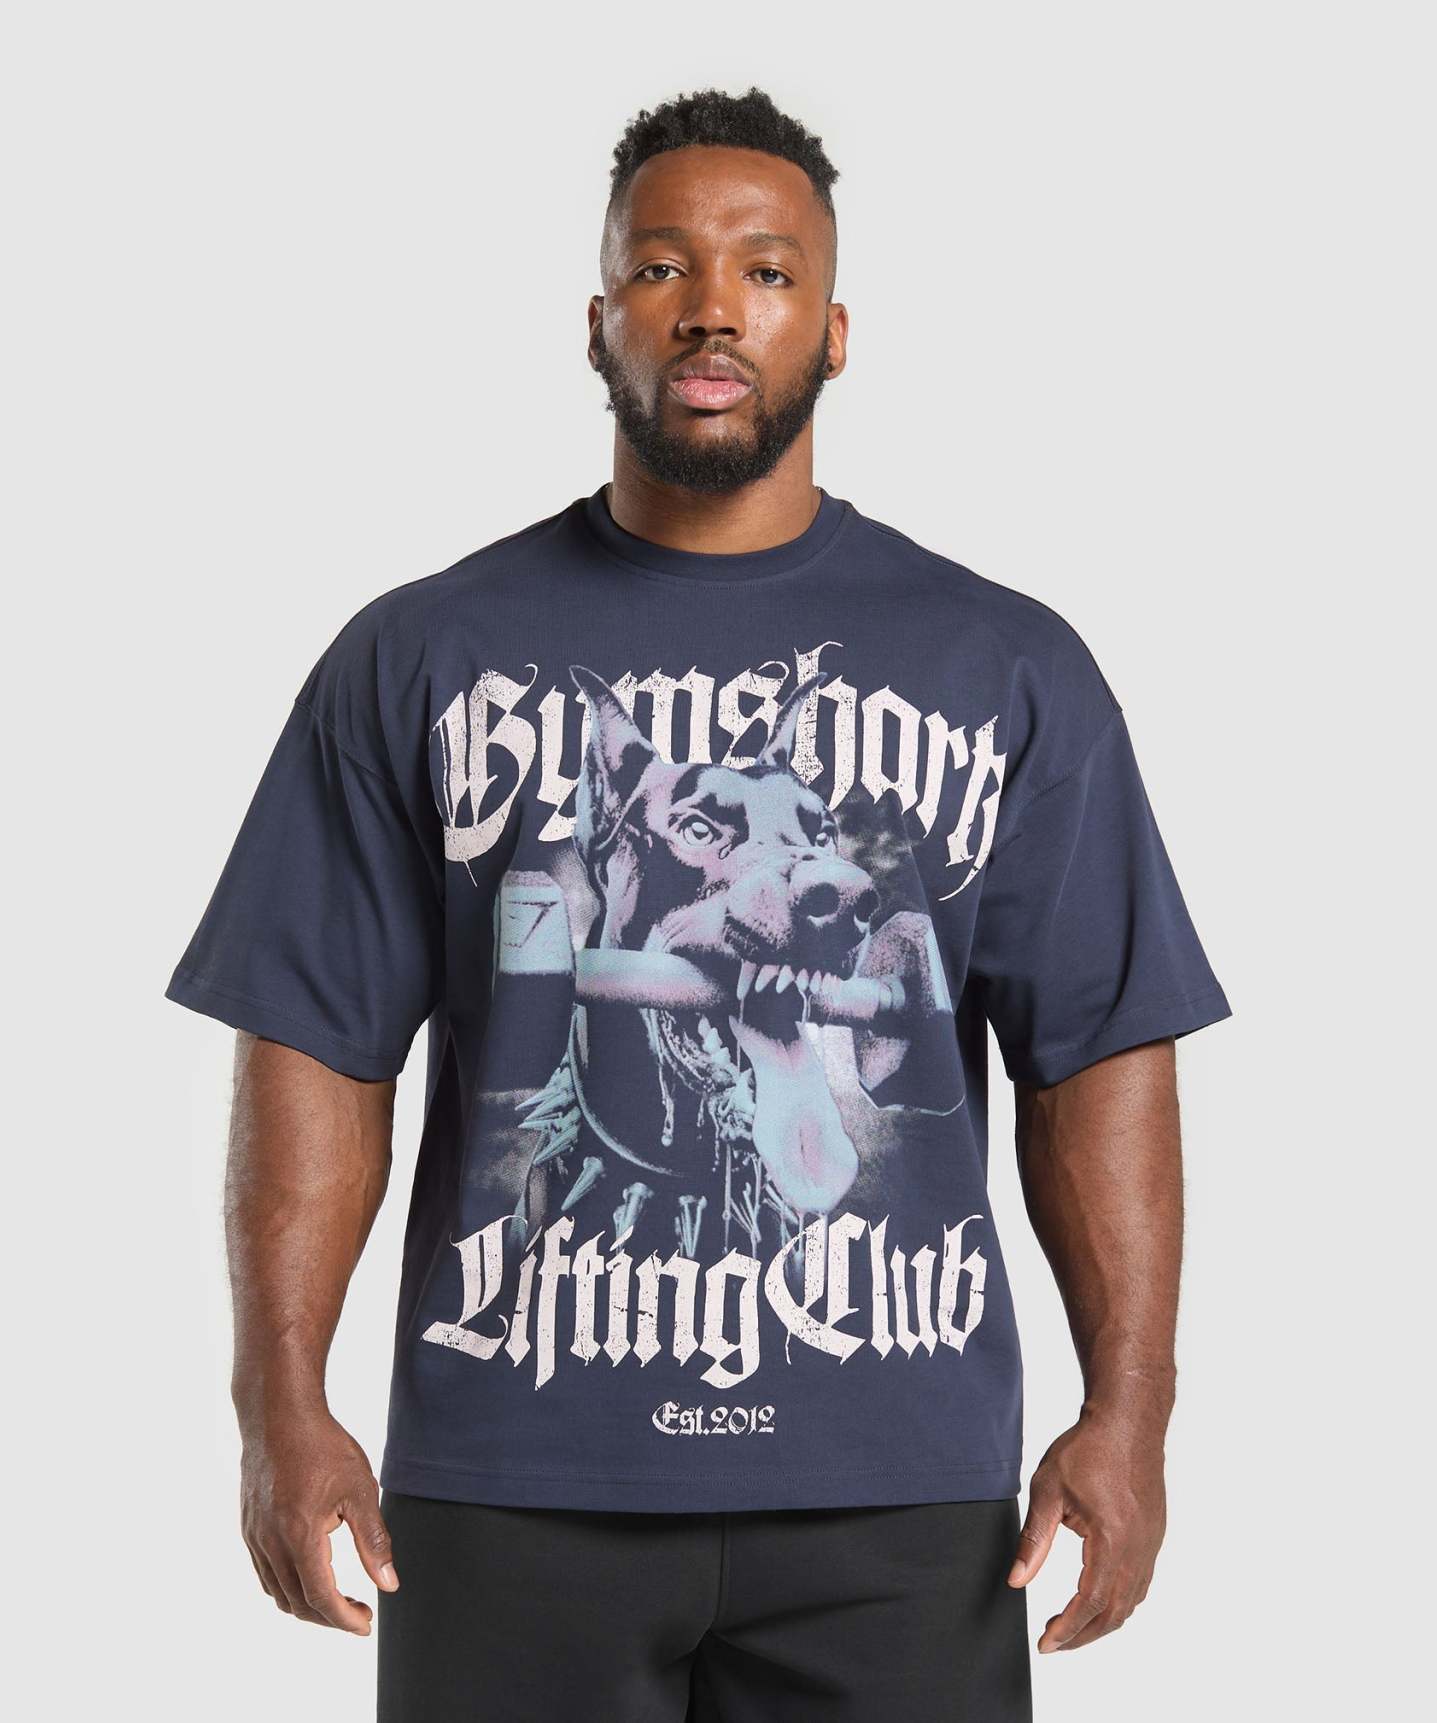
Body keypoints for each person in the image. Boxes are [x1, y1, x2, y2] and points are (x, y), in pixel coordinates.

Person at [167, 85, 1231, 1722]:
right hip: (513, 1473)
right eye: (662, 267)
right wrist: (277, 1405)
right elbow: (317, 1037)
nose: (714, 306)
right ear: (599, 320)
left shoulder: (1006, 664)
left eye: (766, 271)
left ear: (835, 331)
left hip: (899, 1484)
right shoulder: (422, 654)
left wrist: (1131, 1411)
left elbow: (1094, 1049)